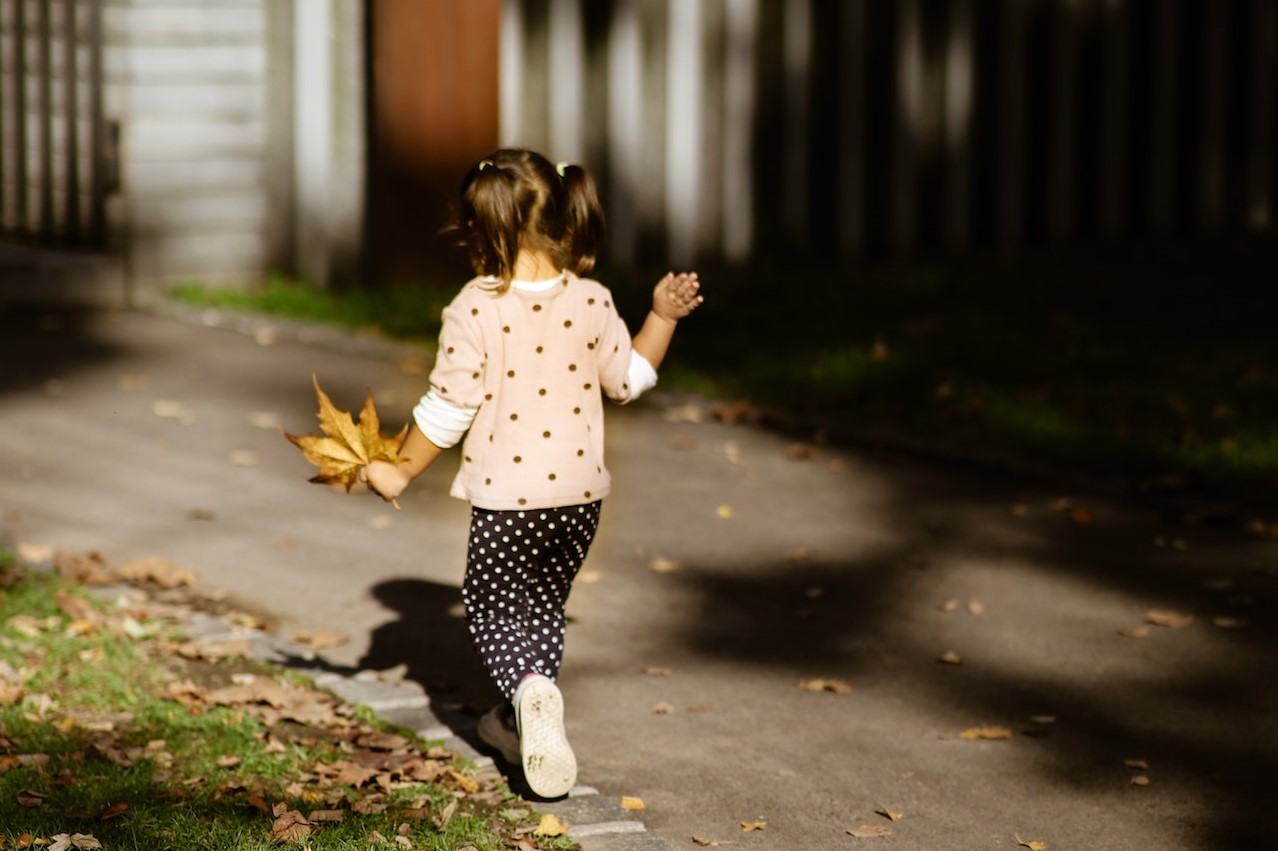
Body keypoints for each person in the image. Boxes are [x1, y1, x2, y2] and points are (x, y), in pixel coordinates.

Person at [360, 148, 702, 798]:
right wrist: (661, 316)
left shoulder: (475, 308)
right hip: (580, 500)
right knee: (543, 605)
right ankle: (517, 723)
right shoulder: (593, 298)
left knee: (490, 608)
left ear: (482, 232)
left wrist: (400, 471)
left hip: (508, 500)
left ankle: (530, 691)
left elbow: (447, 408)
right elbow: (628, 380)